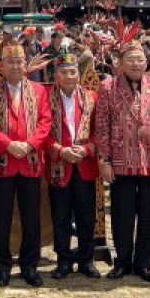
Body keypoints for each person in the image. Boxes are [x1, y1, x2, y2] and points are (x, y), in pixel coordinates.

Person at [95, 39, 150, 283]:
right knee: (122, 213)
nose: (136, 64)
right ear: (120, 63)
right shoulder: (108, 88)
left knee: (149, 214)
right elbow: (101, 126)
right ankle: (122, 262)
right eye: (131, 59)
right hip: (121, 159)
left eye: (140, 59)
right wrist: (104, 159)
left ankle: (145, 264)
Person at [0, 43, 52, 288]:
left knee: (32, 215)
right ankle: (2, 266)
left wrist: (30, 144)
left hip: (30, 163)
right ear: (0, 65)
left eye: (20, 62)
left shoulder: (39, 91)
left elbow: (45, 122)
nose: (16, 66)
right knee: (1, 216)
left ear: (26, 65)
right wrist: (8, 145)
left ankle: (30, 265)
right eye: (10, 62)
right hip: (2, 163)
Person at [45, 53, 101, 280]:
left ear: (79, 74)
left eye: (72, 72)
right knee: (61, 216)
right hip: (59, 165)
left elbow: (100, 131)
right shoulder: (46, 99)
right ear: (55, 76)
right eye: (63, 72)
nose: (68, 76)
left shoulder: (92, 98)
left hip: (84, 164)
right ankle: (64, 260)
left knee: (87, 216)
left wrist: (87, 150)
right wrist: (60, 150)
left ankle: (87, 260)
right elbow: (42, 132)